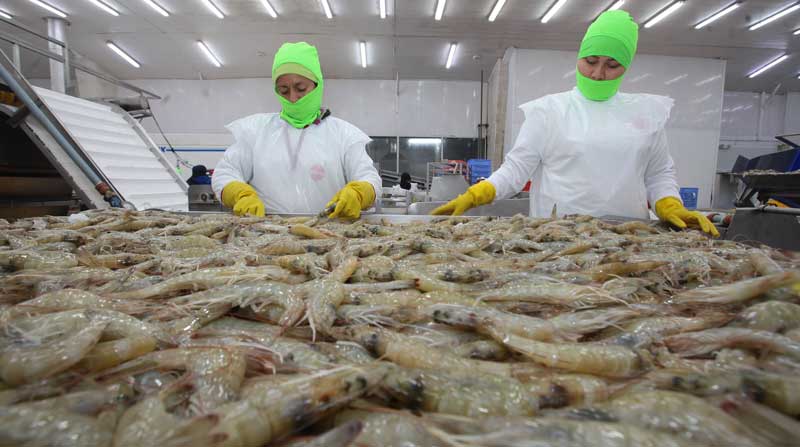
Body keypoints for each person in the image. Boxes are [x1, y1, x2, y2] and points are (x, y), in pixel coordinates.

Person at [432, 10, 718, 237]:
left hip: (629, 237)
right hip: (556, 236)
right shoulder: (549, 111)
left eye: (612, 65)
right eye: (591, 61)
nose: (597, 74)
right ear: (579, 56)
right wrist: (478, 193)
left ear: (626, 67)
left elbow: (658, 174)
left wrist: (669, 203)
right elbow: (516, 170)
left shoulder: (646, 114)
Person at [212, 42, 382, 218]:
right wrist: (240, 194)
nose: (293, 98)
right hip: (266, 230)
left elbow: (369, 177)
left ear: (317, 84)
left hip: (329, 229)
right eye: (284, 90)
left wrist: (359, 193)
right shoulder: (256, 131)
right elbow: (226, 172)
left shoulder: (343, 134)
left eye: (300, 89)